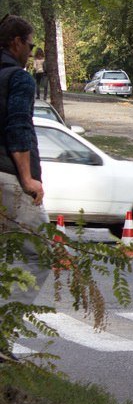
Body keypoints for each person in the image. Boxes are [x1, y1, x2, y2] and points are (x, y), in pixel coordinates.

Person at [0, 15, 49, 308]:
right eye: (30, 46)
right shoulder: (19, 78)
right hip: (8, 178)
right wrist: (27, 179)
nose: (31, 54)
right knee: (40, 252)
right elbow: (18, 127)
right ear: (16, 42)